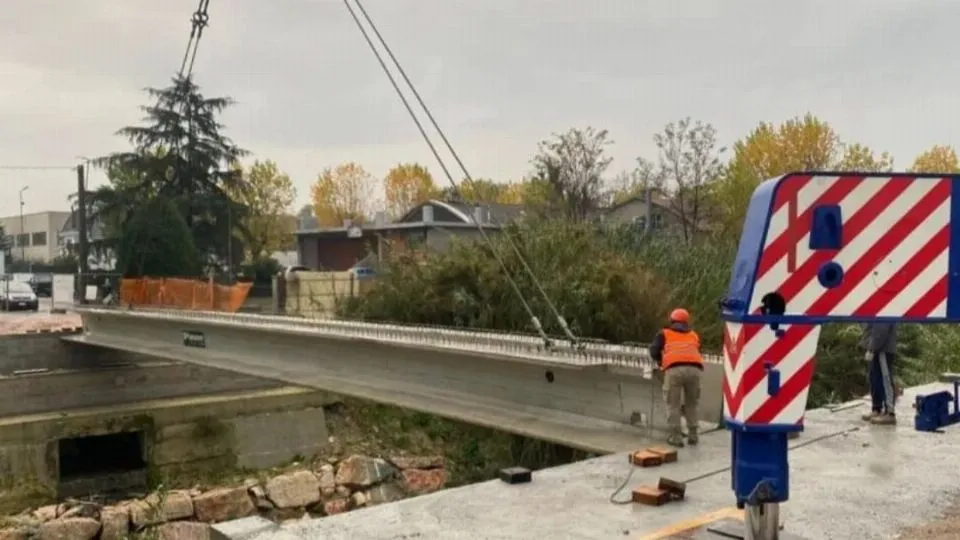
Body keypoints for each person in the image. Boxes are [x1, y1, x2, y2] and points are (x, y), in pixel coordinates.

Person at [649, 308, 704, 447]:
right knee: (692, 403)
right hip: (695, 370)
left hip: (674, 370)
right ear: (686, 322)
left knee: (673, 404)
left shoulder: (664, 333)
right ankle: (693, 435)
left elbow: (654, 350)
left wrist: (661, 362)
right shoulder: (693, 334)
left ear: (672, 320)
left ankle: (676, 437)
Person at [859, 323, 898, 425]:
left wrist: (872, 348)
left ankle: (890, 412)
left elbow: (881, 329)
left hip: (883, 348)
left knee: (885, 378)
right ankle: (877, 408)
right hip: (875, 346)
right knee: (874, 378)